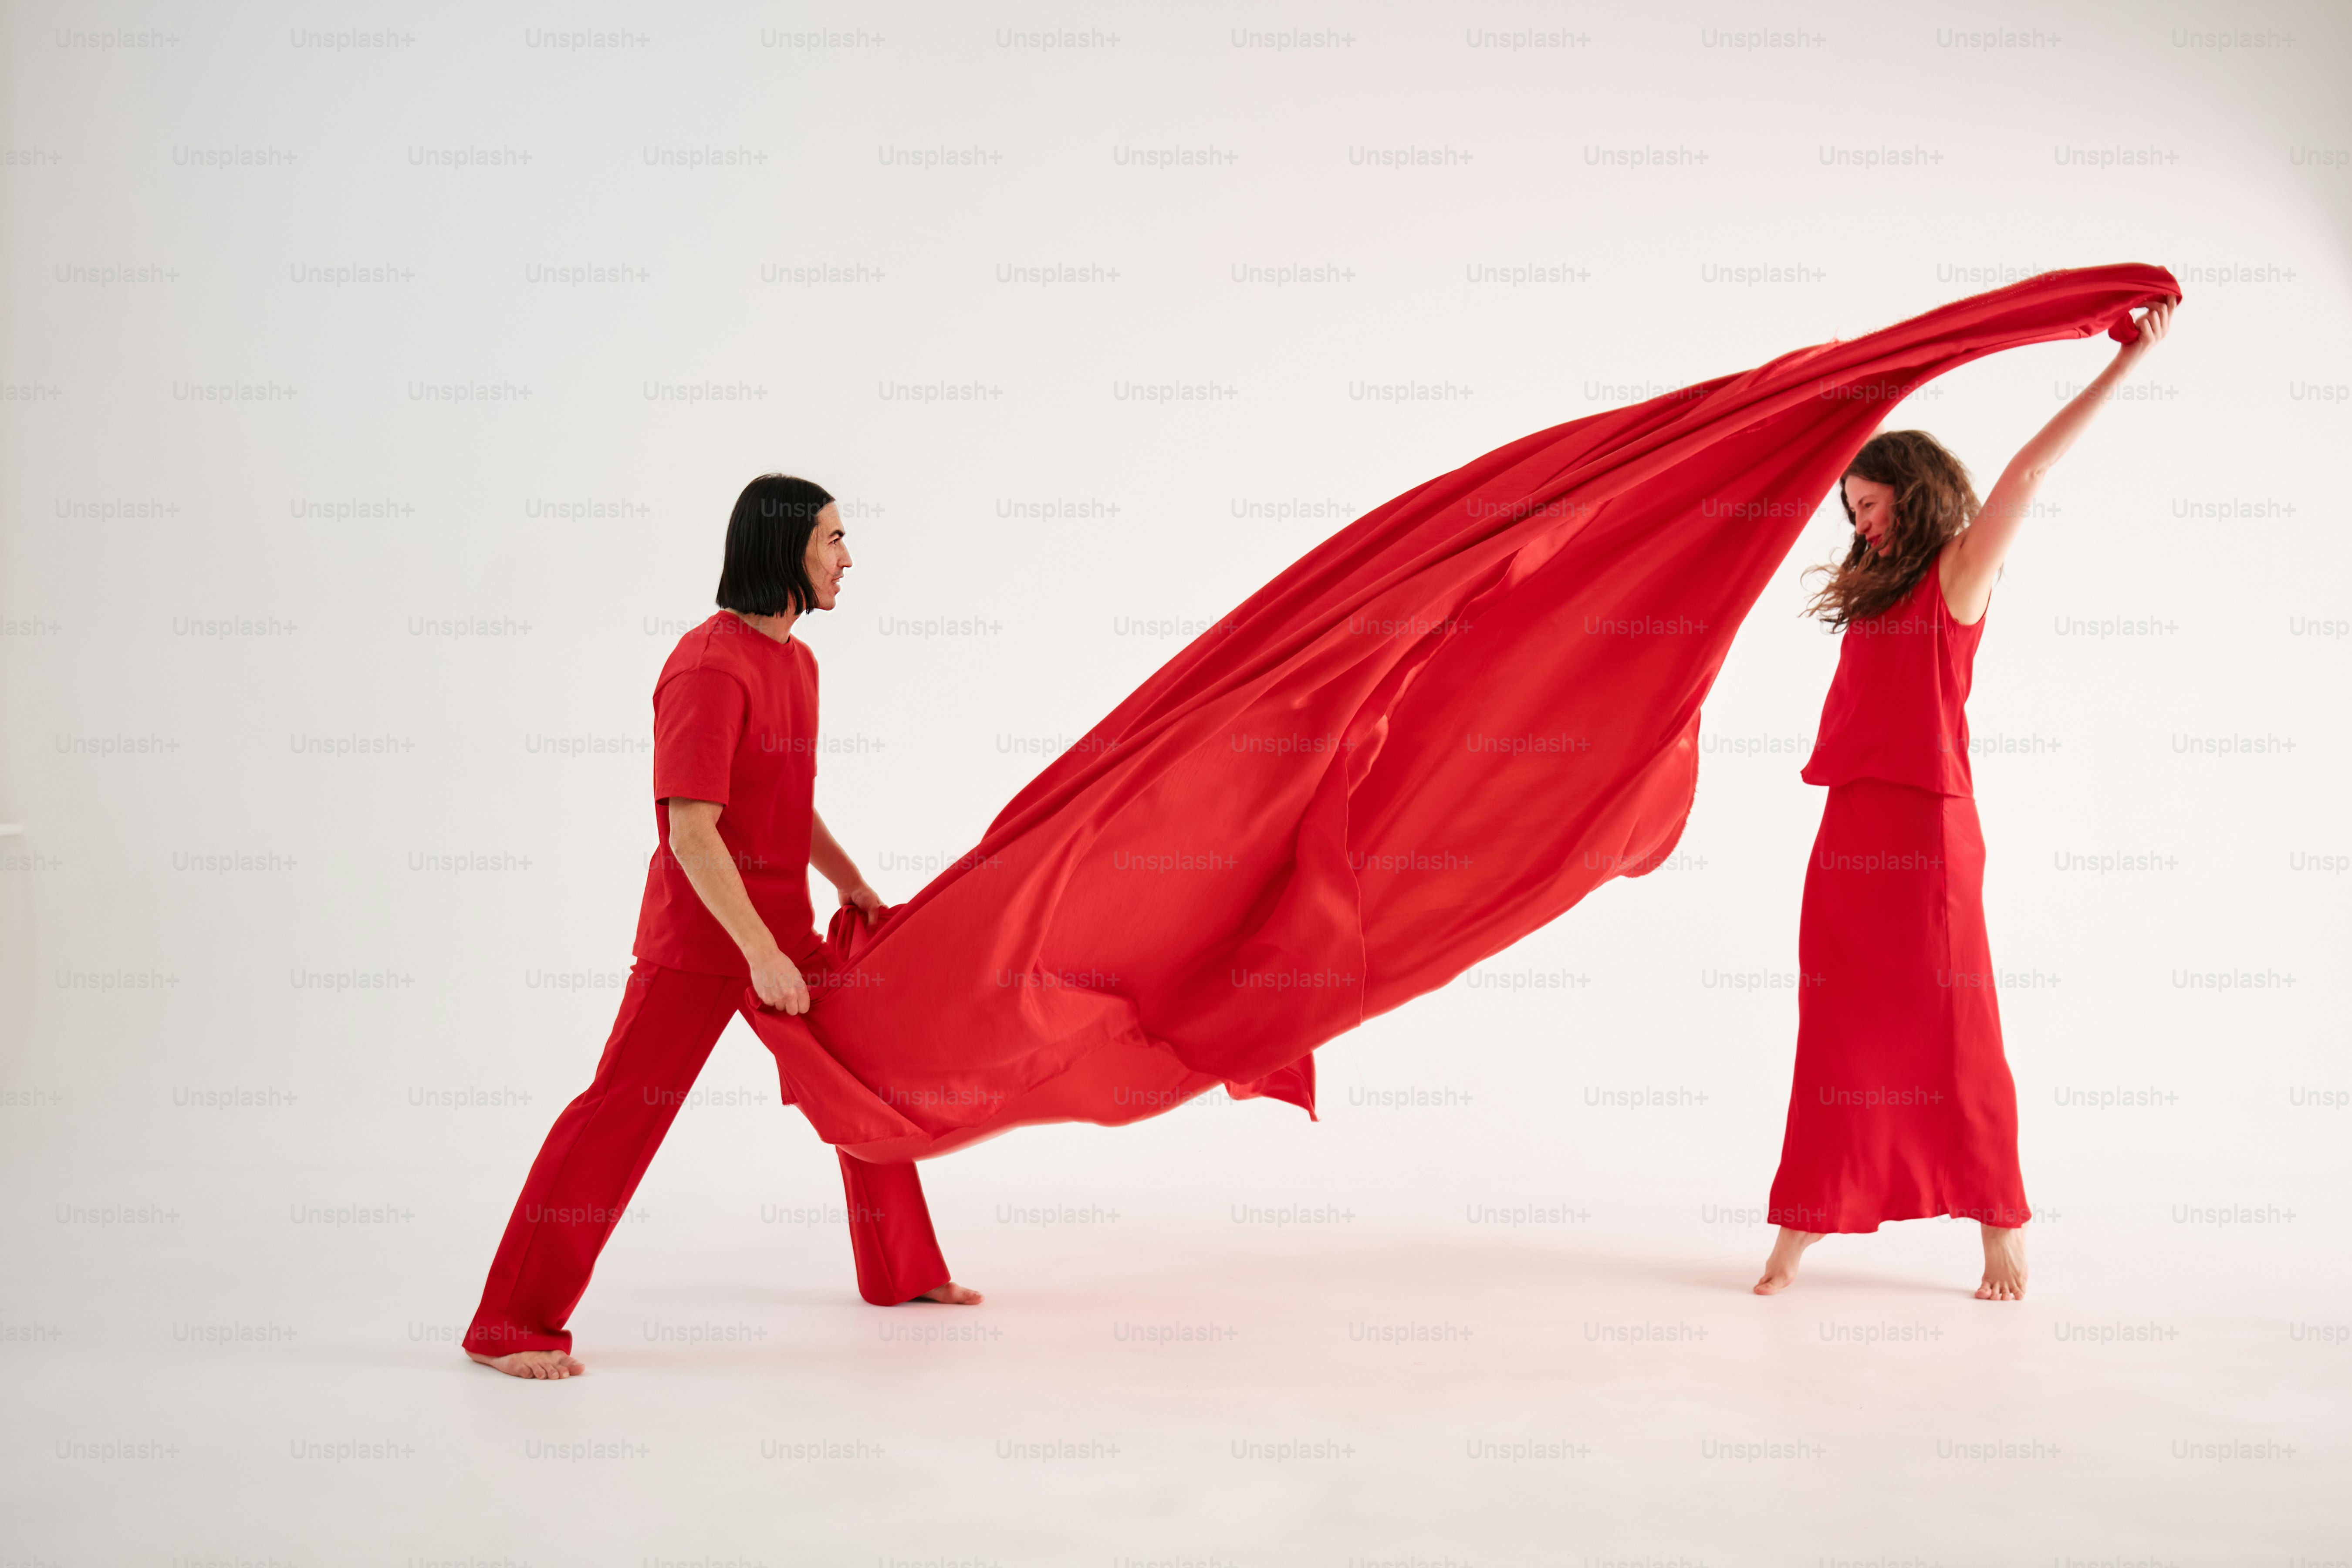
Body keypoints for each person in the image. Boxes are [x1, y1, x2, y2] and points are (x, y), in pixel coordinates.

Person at [462, 474, 981, 1380]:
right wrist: (758, 953)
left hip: (781, 933)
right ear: (783, 551)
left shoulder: (799, 664)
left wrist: (852, 884)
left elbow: (787, 802)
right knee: (618, 1117)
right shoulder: (708, 668)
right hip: (706, 944)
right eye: (833, 540)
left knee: (861, 1076)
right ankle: (509, 1324)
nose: (848, 558)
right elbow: (690, 830)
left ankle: (900, 1272)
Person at [1754, 300, 2177, 1301]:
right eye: (1852, 506)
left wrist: (2121, 369)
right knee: (1839, 1028)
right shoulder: (1868, 590)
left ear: (1919, 494)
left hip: (1932, 833)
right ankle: (1800, 1225)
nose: (1861, 520)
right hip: (1849, 825)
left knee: (1956, 1028)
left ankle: (1999, 1227)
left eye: (1873, 502)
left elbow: (2029, 473)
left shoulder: (1958, 571)